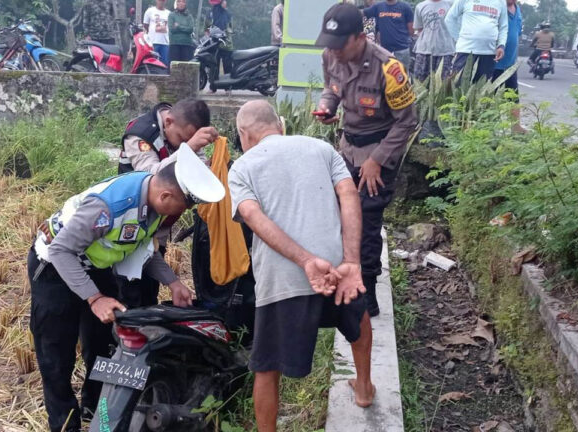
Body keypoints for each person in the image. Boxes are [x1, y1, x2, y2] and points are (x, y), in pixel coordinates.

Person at [29, 158, 224, 432]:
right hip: (55, 267)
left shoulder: (155, 207)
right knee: (56, 352)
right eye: (184, 207)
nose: (183, 214)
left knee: (102, 343)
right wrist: (95, 298)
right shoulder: (109, 207)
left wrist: (173, 282)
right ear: (166, 195)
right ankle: (65, 424)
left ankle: (96, 411)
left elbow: (141, 245)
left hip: (95, 265)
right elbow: (62, 250)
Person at [229, 100, 375, 432]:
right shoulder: (321, 148)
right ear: (279, 124)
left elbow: (253, 217)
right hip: (337, 267)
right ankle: (364, 387)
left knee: (267, 367)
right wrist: (352, 261)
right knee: (358, 318)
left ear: (243, 134)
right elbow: (349, 194)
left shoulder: (241, 167)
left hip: (283, 277)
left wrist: (305, 261)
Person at [314, 3, 418, 317]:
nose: (333, 50)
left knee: (368, 222)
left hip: (378, 150)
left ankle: (367, 293)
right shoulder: (330, 55)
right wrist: (326, 106)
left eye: (340, 43)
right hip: (347, 148)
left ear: (360, 37)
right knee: (341, 216)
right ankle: (341, 278)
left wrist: (377, 160)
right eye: (329, 43)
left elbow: (407, 121)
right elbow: (331, 88)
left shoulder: (389, 68)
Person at [118, 99, 218, 307]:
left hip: (160, 224)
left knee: (149, 289)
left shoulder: (183, 133)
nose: (183, 144)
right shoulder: (140, 134)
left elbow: (198, 167)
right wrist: (188, 148)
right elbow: (151, 176)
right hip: (129, 223)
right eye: (181, 139)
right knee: (128, 290)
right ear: (169, 121)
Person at [445, 0, 508, 82]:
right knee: (458, 87)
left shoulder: (501, 2)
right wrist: (458, 38)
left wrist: (501, 45)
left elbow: (503, 27)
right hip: (466, 51)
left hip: (489, 53)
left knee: (481, 91)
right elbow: (449, 19)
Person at [493, 0, 524, 133]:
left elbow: (517, 34)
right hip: (495, 63)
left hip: (510, 64)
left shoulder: (518, 10)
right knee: (491, 97)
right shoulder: (497, 8)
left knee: (513, 96)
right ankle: (490, 128)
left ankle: (516, 127)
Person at [412, 0, 455, 81]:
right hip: (424, 51)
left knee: (442, 86)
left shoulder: (452, 4)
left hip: (445, 51)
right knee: (420, 82)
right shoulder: (420, 6)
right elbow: (419, 28)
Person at [363, 0, 415, 66]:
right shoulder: (378, 6)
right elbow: (363, 13)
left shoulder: (405, 7)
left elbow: (411, 30)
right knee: (384, 74)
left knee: (402, 73)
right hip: (385, 50)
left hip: (402, 49)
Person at [144, 0, 171, 67]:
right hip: (152, 42)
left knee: (164, 64)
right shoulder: (150, 11)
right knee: (151, 63)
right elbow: (145, 25)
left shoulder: (169, 13)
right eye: (160, 0)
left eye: (163, 0)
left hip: (165, 43)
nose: (161, 2)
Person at [209, 0, 234, 74]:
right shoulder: (214, 11)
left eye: (225, 1)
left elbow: (231, 27)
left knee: (227, 66)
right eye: (223, 1)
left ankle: (228, 83)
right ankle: (214, 84)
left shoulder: (228, 14)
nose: (225, 3)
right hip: (216, 43)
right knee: (215, 66)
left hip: (226, 44)